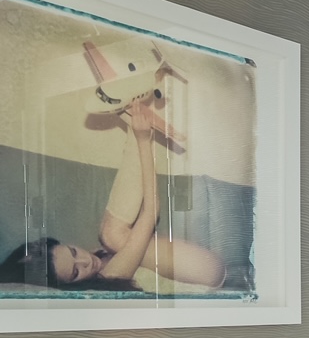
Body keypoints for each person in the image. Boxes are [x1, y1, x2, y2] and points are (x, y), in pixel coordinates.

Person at [0, 100, 226, 293]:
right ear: (69, 288)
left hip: (197, 266)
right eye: (76, 272)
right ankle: (134, 130)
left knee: (111, 237)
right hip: (207, 271)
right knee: (112, 236)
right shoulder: (107, 278)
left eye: (74, 252)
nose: (86, 261)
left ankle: (131, 121)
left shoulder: (99, 261)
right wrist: (144, 140)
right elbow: (150, 212)